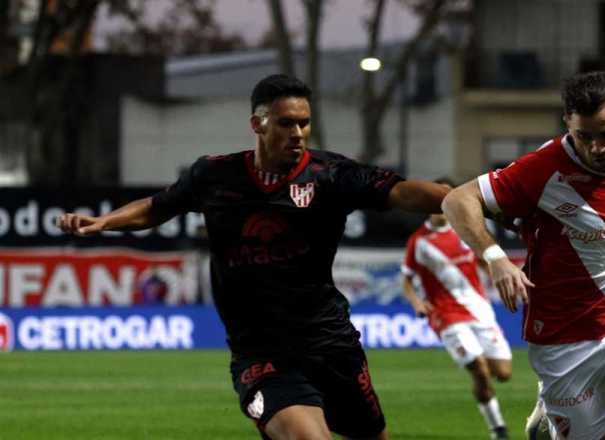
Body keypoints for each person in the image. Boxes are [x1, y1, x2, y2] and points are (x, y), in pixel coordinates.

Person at [56, 74, 449, 440]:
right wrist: (105, 222)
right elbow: (157, 207)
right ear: (257, 124)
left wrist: (467, 198)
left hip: (331, 343)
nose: (298, 133)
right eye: (285, 123)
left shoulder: (331, 174)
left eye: (304, 123)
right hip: (261, 354)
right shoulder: (214, 176)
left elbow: (402, 192)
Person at [442, 71, 605, 440]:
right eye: (584, 137)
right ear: (568, 123)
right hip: (564, 336)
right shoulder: (542, 168)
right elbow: (456, 200)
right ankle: (550, 411)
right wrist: (495, 257)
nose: (597, 148)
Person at [400, 177, 513, 439]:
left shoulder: (466, 230)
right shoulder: (419, 241)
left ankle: (477, 368)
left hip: (479, 308)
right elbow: (406, 278)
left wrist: (499, 277)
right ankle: (498, 428)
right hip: (446, 314)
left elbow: (485, 261)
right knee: (480, 372)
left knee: (503, 373)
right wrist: (417, 302)